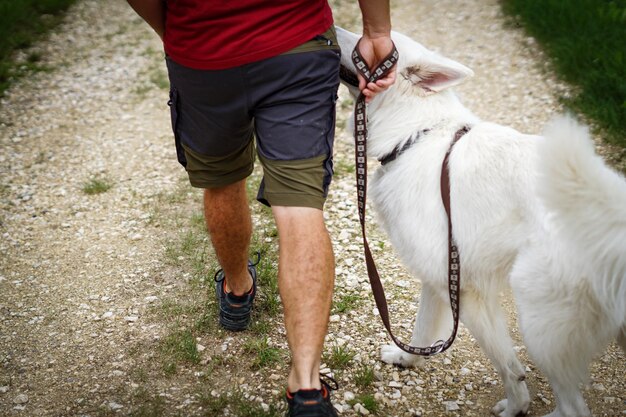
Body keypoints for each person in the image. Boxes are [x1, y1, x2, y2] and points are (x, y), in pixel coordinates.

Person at [126, 1, 396, 415]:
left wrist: (179, 33)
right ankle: (306, 387)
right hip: (297, 46)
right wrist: (377, 32)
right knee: (300, 206)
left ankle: (237, 291)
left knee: (222, 180)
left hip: (203, 54)